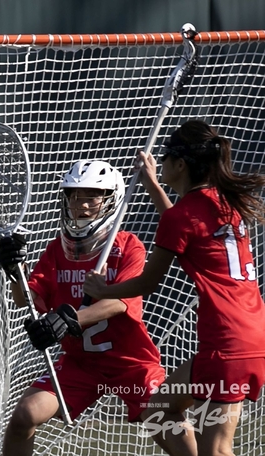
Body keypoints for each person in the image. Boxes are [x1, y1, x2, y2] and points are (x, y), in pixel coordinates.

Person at [84, 119, 265, 456]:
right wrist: (153, 185)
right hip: (249, 333)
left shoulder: (181, 217)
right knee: (156, 410)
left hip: (226, 342)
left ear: (180, 164)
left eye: (166, 156)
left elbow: (148, 282)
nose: (162, 161)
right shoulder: (224, 204)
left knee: (216, 450)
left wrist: (102, 289)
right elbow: (184, 228)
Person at [0, 160, 165, 456]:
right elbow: (26, 299)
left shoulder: (128, 245)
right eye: (76, 196)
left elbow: (121, 303)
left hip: (130, 362)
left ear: (111, 200)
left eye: (92, 196)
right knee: (25, 414)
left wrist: (69, 319)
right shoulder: (57, 249)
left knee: (167, 422)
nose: (83, 204)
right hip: (81, 363)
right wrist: (16, 272)